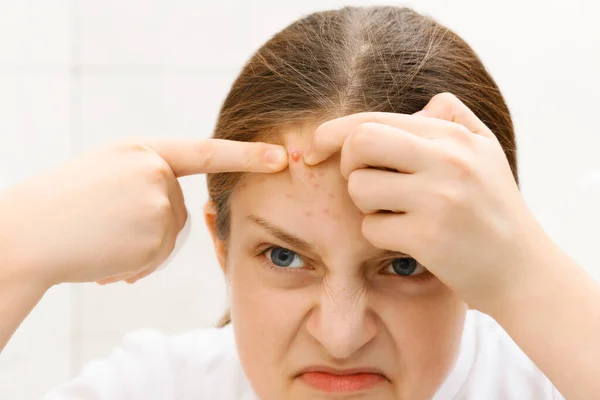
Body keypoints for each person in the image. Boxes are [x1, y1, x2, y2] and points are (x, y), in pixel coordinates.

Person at [1, 5, 599, 400]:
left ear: (480, 258)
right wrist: (14, 246)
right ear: (221, 243)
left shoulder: (550, 379)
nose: (341, 337)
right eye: (284, 257)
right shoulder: (158, 387)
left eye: (405, 264)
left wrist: (527, 277)